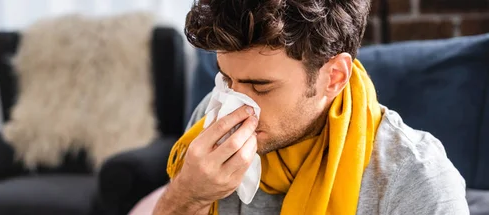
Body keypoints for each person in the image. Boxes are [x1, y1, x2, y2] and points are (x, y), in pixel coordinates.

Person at [132, 0, 470, 214]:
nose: (233, 103)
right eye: (226, 79)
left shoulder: (415, 180)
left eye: (260, 86)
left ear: (334, 77)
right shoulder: (213, 115)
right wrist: (187, 196)